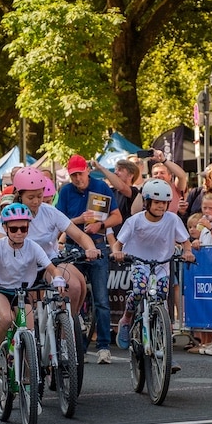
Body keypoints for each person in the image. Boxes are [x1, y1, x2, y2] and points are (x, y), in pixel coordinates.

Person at [110, 179, 195, 369]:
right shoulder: (135, 221)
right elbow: (118, 243)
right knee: (140, 289)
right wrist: (117, 252)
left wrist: (188, 252)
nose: (161, 206)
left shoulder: (172, 219)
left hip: (162, 265)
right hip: (139, 263)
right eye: (157, 202)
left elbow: (185, 242)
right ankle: (127, 318)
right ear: (147, 202)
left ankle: (166, 352)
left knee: (162, 300)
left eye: (164, 203)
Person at [0, 203, 66, 370]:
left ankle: (30, 389)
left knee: (29, 334)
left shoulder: (33, 246)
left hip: (23, 293)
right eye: (14, 229)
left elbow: (52, 268)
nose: (19, 233)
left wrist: (58, 278)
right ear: (5, 228)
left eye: (23, 228)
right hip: (0, 291)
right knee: (7, 318)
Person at [13, 167, 100, 341]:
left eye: (40, 195)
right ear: (19, 194)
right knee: (24, 318)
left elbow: (79, 234)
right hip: (22, 267)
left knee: (76, 284)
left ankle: (66, 329)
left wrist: (90, 248)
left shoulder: (50, 211)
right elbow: (0, 242)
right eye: (31, 197)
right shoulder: (12, 214)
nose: (37, 201)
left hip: (49, 262)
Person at [55, 154, 124, 364]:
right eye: (73, 175)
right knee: (73, 296)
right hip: (73, 247)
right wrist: (79, 220)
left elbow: (117, 216)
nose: (77, 178)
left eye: (80, 173)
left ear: (87, 170)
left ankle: (104, 347)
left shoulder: (101, 187)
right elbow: (58, 221)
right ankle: (77, 343)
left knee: (101, 300)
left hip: (97, 245)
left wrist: (100, 225)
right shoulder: (65, 191)